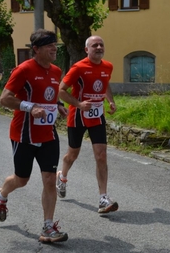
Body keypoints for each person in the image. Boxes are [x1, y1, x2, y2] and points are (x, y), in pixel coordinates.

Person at [0, 29, 68, 243]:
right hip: (24, 135)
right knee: (21, 180)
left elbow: (50, 94)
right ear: (36, 49)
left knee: (50, 180)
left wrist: (59, 105)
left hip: (48, 134)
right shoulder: (23, 70)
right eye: (49, 45)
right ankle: (1, 195)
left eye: (55, 44)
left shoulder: (55, 70)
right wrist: (29, 106)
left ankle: (48, 227)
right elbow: (5, 99)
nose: (54, 48)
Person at [57, 35, 118, 214]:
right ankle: (63, 175)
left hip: (97, 116)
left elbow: (105, 84)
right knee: (72, 154)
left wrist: (111, 101)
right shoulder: (78, 68)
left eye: (101, 44)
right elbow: (61, 91)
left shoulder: (108, 66)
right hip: (78, 116)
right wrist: (79, 104)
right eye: (94, 45)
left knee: (101, 155)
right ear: (87, 50)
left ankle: (103, 198)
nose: (99, 47)